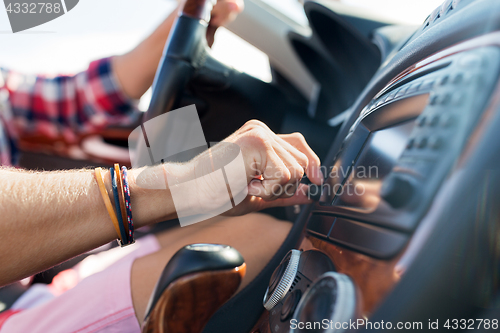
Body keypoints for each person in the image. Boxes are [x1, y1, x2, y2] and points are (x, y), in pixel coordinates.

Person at [0, 0, 323, 331]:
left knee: (259, 224)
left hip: (28, 299)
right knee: (262, 242)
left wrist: (189, 16)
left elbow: (74, 99)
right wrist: (184, 185)